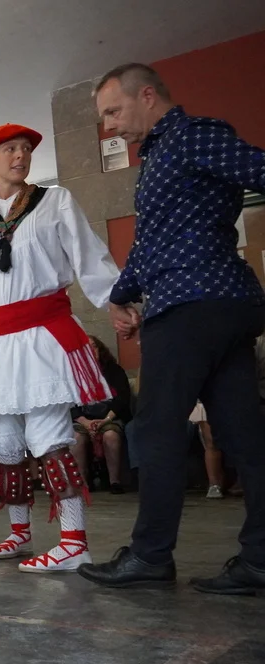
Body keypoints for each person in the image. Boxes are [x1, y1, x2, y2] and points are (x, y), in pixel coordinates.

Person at [78, 64, 265, 594]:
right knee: (244, 435)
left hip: (192, 305)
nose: (109, 126)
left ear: (147, 96)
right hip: (218, 306)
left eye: (113, 111)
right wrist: (119, 295)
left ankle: (150, 555)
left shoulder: (192, 136)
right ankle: (260, 560)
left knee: (154, 430)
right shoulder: (160, 157)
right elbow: (149, 246)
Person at [0, 124, 119, 572]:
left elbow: (88, 254)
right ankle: (19, 532)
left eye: (25, 149)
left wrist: (115, 301)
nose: (20, 156)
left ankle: (74, 542)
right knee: (4, 441)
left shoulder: (55, 201)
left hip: (44, 334)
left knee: (49, 436)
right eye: (9, 149)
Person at [69, 336, 132, 495]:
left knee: (111, 435)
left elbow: (123, 398)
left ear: (100, 349)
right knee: (76, 437)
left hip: (110, 416)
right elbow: (70, 402)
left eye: (94, 346)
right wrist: (84, 422)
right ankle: (83, 483)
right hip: (83, 419)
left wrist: (106, 419)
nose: (91, 351)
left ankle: (114, 481)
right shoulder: (74, 373)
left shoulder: (114, 371)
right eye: (86, 348)